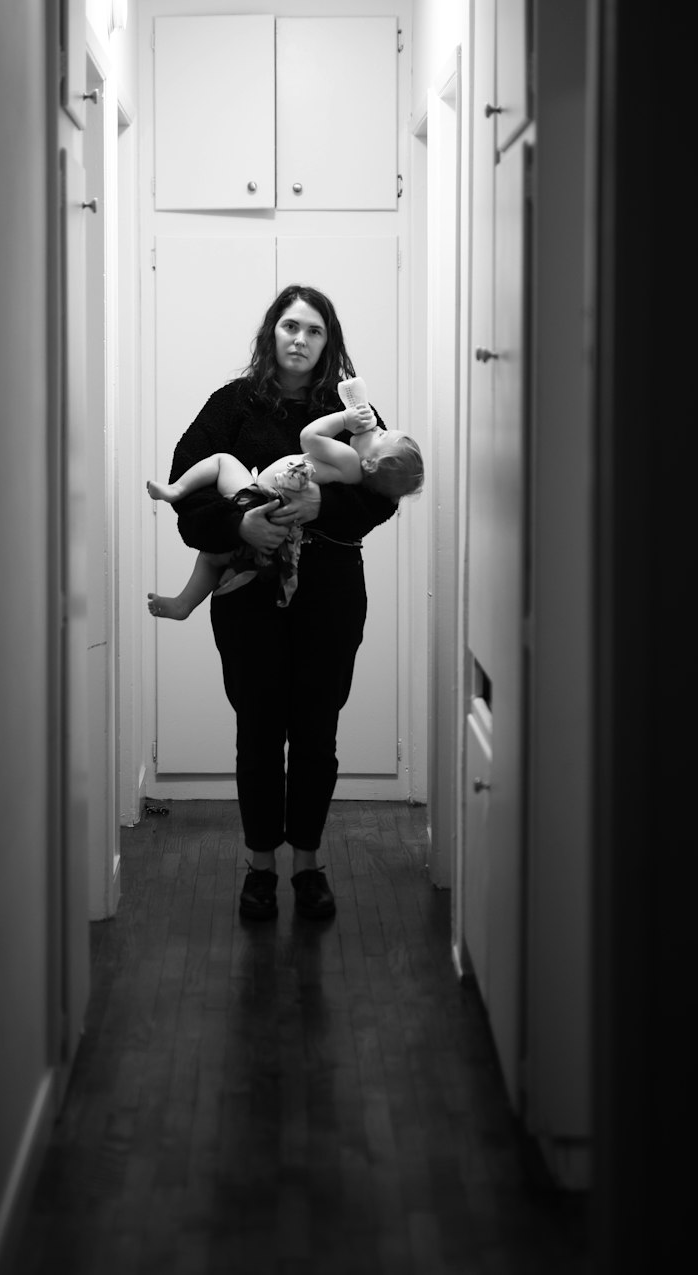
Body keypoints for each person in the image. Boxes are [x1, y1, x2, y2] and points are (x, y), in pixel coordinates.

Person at [159, 283, 406, 921]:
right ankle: (261, 866)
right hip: (247, 598)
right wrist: (239, 528)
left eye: (314, 330)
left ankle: (308, 864)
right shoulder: (233, 404)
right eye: (291, 327)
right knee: (260, 732)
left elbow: (386, 491)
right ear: (272, 333)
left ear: (330, 343)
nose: (300, 339)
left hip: (330, 596)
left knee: (317, 732)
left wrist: (327, 503)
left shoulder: (353, 412)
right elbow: (190, 501)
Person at [146, 391, 423, 619]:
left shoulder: (350, 459)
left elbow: (309, 437)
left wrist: (344, 418)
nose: (377, 427)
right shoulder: (355, 472)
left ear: (370, 463)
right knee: (214, 556)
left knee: (222, 461)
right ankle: (184, 604)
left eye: (381, 436)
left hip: (260, 497)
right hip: (270, 516)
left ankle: (177, 489)